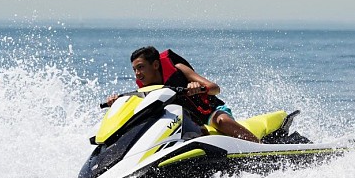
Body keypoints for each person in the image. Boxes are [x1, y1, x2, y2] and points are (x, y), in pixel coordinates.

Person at [107, 46, 259, 143]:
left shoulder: (178, 69)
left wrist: (199, 88)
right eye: (134, 70)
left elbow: (215, 88)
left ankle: (260, 148)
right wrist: (118, 102)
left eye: (140, 67)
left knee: (222, 122)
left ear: (155, 65)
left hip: (209, 114)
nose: (137, 73)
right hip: (184, 121)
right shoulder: (145, 88)